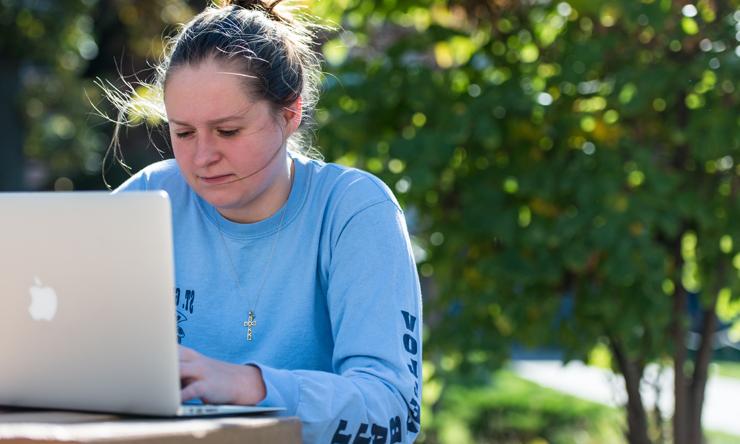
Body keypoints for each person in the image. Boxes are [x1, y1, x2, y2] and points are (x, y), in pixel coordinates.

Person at [109, 0, 423, 442]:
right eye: (183, 133)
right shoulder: (150, 197)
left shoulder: (355, 210)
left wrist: (253, 386)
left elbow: (393, 412)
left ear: (290, 114)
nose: (202, 157)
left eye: (229, 131)